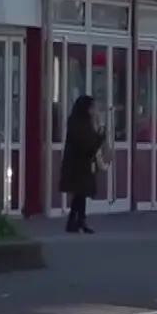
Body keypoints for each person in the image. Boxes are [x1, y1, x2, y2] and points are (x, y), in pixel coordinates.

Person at [59, 95, 105, 234]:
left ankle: (76, 221)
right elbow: (84, 142)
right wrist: (97, 139)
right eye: (91, 107)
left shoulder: (84, 121)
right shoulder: (76, 122)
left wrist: (99, 135)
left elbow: (90, 140)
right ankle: (78, 221)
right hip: (77, 163)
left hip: (83, 162)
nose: (93, 111)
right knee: (80, 192)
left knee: (81, 193)